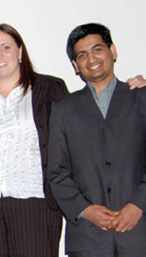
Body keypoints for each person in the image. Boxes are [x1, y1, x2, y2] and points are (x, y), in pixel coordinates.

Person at [0, 24, 69, 257]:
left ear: (20, 52)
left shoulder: (50, 88)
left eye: (5, 47)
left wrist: (131, 88)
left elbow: (76, 129)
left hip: (34, 201)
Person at [48, 22, 146, 257]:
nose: (91, 58)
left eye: (97, 49)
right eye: (82, 55)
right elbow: (57, 172)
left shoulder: (142, 98)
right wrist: (86, 210)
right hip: (88, 239)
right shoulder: (63, 110)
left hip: (139, 233)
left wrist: (138, 205)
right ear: (75, 65)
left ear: (113, 51)